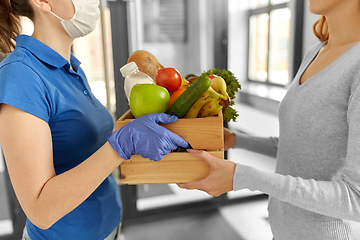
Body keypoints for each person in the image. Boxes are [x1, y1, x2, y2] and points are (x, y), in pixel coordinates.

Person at [0, 0, 189, 239]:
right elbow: (40, 210)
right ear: (42, 2)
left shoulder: (73, 67)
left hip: (109, 228)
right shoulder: (20, 74)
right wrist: (121, 144)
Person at [179, 1, 360, 239]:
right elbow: (297, 147)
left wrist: (242, 177)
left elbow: (354, 199)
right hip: (282, 231)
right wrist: (236, 140)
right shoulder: (316, 52)